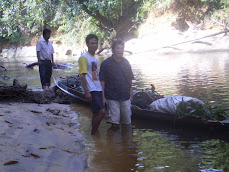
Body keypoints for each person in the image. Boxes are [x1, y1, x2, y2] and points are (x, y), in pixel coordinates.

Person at [99, 40, 134, 129]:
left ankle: (125, 141)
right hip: (111, 96)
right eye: (117, 48)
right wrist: (103, 97)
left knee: (127, 122)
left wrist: (131, 95)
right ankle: (112, 141)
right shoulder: (105, 63)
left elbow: (130, 80)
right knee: (115, 122)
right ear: (112, 50)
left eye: (121, 48)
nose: (120, 50)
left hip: (125, 95)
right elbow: (102, 81)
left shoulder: (126, 63)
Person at [78, 34, 105, 135]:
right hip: (91, 89)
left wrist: (101, 88)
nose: (94, 45)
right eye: (92, 43)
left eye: (96, 43)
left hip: (97, 88)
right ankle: (94, 133)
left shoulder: (94, 58)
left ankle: (94, 133)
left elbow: (94, 74)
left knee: (96, 112)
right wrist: (86, 92)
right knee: (102, 112)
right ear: (87, 44)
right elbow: (82, 76)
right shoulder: (84, 58)